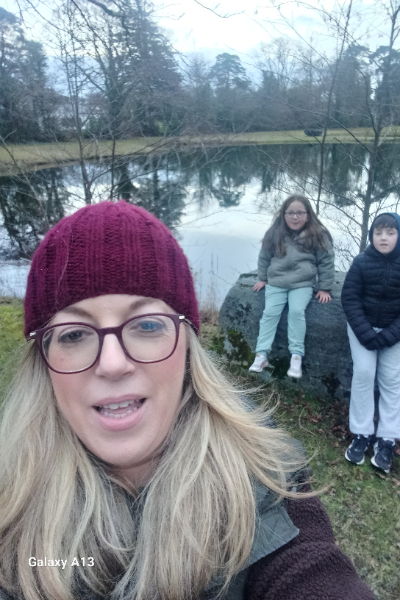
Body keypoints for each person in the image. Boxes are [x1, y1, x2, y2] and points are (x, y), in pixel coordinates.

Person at [0, 201, 374, 600]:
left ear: (188, 347)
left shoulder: (267, 482)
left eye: (147, 325)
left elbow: (309, 569)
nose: (112, 364)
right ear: (42, 361)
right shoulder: (10, 503)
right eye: (74, 334)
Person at [341, 213, 400, 474]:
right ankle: (362, 433)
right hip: (362, 329)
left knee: (391, 379)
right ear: (372, 236)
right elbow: (350, 298)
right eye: (378, 233)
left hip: (395, 332)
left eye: (390, 233)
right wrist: (366, 333)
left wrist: (390, 335)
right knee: (364, 374)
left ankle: (387, 439)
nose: (383, 238)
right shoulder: (361, 262)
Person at [249, 195, 334, 379]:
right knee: (269, 313)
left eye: (299, 213)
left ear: (308, 214)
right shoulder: (275, 232)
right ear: (284, 214)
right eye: (290, 213)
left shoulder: (318, 234)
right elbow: (264, 257)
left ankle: (296, 356)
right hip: (276, 282)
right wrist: (262, 278)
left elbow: (326, 261)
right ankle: (261, 355)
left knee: (296, 312)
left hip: (302, 283)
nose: (295, 217)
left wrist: (325, 287)